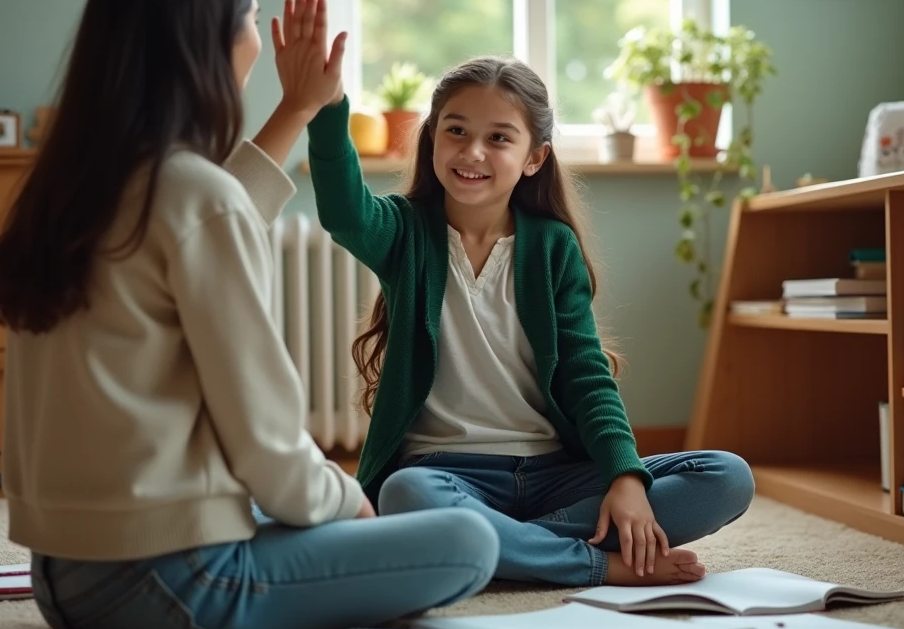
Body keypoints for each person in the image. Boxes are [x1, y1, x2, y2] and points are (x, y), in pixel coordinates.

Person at [0, 0, 498, 629]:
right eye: (251, 20)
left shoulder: (75, 186)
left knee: (328, 522)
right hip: (170, 581)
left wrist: (298, 108)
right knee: (466, 543)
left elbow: (200, 220)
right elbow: (268, 450)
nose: (257, 38)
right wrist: (350, 509)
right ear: (209, 40)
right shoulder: (190, 197)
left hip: (62, 577)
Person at [306, 42, 756, 588]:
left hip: (555, 476)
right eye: (456, 131)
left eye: (498, 137)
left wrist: (625, 478)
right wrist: (328, 107)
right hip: (444, 474)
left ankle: (495, 544)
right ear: (432, 142)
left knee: (726, 477)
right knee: (406, 495)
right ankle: (589, 562)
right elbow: (343, 210)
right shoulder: (402, 232)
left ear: (534, 157)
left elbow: (586, 375)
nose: (472, 152)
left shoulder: (551, 246)